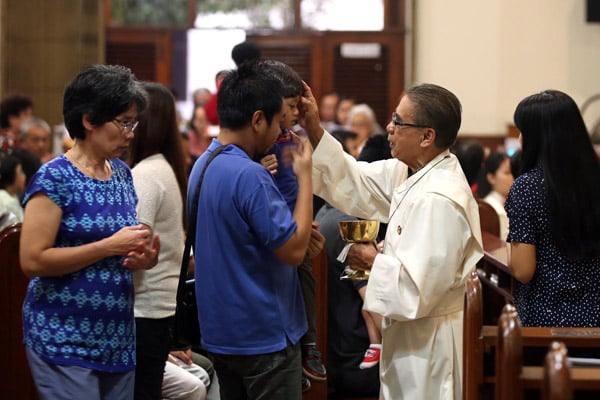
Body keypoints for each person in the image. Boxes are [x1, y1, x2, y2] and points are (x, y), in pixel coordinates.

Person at [300, 82, 483, 399]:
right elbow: (357, 180)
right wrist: (314, 129)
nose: (389, 128)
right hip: (411, 340)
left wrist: (372, 262)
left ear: (427, 137)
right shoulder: (415, 171)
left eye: (399, 122)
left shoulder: (438, 198)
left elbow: (416, 291)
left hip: (429, 347)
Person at [19, 64, 160, 400]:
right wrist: (108, 246)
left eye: (132, 123)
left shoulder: (122, 174)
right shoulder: (55, 178)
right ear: (89, 119)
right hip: (63, 335)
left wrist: (143, 260)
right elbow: (33, 260)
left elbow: (123, 249)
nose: (130, 132)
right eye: (123, 122)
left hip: (117, 337)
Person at [187, 61, 314, 400]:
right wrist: (305, 178)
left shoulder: (202, 164)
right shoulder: (250, 174)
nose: (278, 132)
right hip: (264, 332)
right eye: (276, 121)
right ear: (258, 119)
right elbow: (294, 250)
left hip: (221, 332)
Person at [258, 60, 327, 392]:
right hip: (270, 228)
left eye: (299, 108)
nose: (295, 115)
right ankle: (294, 349)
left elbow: (307, 185)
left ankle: (308, 343)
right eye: (289, 108)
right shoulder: (261, 141)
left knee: (306, 277)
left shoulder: (296, 138)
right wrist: (259, 167)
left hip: (295, 224)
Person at [506, 90, 600, 327]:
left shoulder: (527, 187)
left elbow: (523, 270)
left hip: (547, 321)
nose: (519, 138)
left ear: (537, 136)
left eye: (522, 131)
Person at [128, 82, 189, 400]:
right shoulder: (165, 168)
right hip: (159, 308)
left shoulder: (147, 174)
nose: (124, 128)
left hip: (145, 308)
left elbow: (134, 243)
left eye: (128, 119)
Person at [476, 151, 513, 239]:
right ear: (491, 178)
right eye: (507, 173)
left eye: (514, 172)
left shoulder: (514, 203)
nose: (513, 177)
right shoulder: (487, 208)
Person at [0, 154, 26, 222]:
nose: (24, 176)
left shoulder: (13, 196)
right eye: (21, 172)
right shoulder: (4, 199)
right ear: (12, 175)